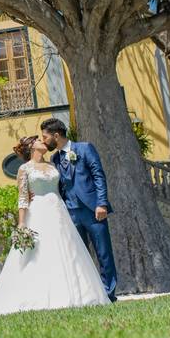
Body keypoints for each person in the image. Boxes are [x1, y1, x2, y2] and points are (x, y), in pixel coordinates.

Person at [0, 135, 109, 318]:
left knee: (66, 250)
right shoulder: (24, 169)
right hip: (38, 213)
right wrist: (21, 224)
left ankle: (79, 294)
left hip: (59, 212)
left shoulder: (53, 164)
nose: (43, 141)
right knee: (41, 254)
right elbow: (22, 198)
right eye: (38, 140)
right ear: (32, 147)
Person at [40, 118, 118, 302]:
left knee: (103, 253)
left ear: (56, 135)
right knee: (79, 256)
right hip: (71, 213)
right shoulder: (55, 158)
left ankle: (109, 294)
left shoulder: (84, 148)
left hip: (93, 211)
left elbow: (99, 175)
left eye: (45, 137)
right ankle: (88, 294)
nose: (44, 141)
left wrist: (102, 204)